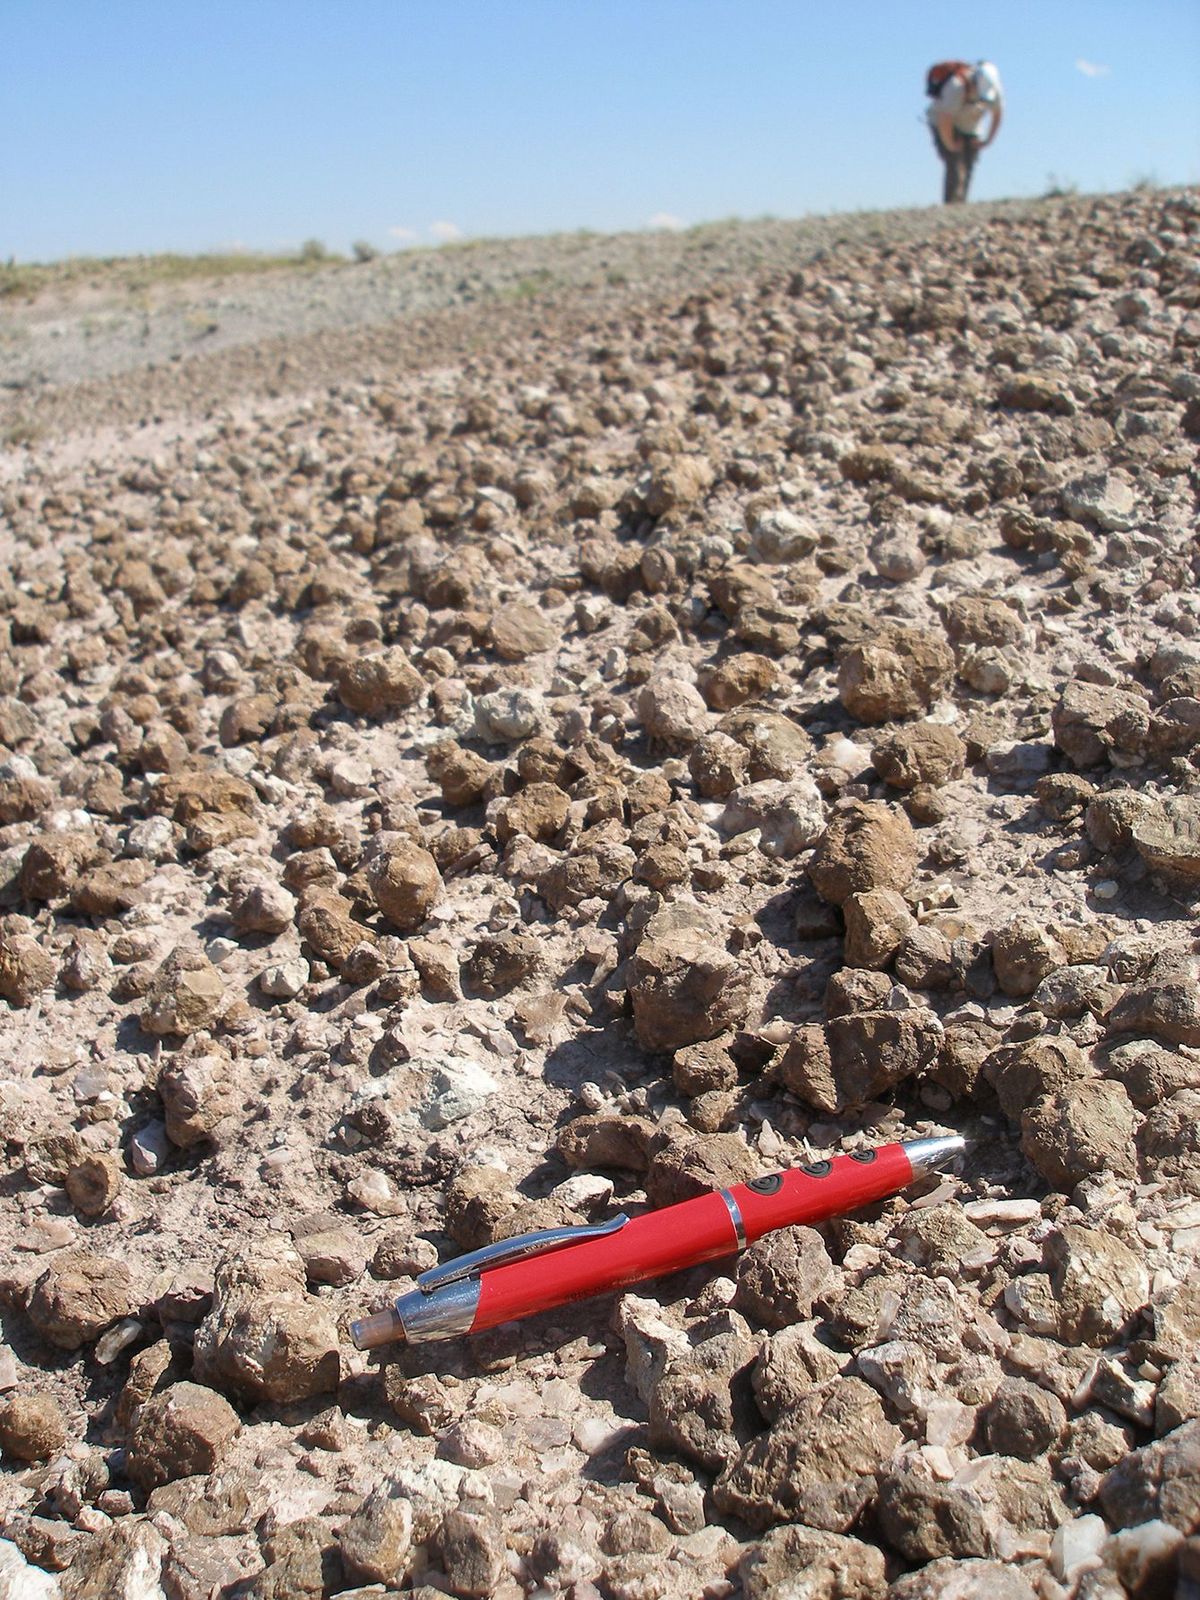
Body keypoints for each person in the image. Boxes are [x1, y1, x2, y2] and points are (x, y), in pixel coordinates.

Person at [927, 60, 1003, 204]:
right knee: (955, 165)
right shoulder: (956, 86)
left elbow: (997, 114)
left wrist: (988, 140)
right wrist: (950, 144)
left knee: (969, 165)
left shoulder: (995, 88)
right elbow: (944, 119)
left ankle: (960, 204)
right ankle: (951, 206)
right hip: (944, 126)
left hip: (971, 126)